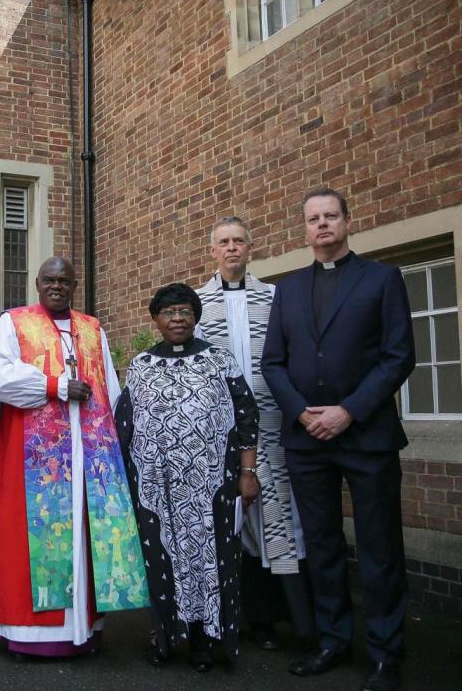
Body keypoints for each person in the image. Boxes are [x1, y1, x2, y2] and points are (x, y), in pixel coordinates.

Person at [261, 189, 414, 691]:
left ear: (348, 222)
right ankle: (332, 641)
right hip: (306, 439)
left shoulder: (383, 279)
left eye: (330, 216)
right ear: (304, 230)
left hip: (366, 435)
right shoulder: (288, 289)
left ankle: (385, 654)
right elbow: (274, 364)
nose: (322, 225)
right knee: (323, 547)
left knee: (379, 548)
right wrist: (302, 414)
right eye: (313, 219)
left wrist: (349, 411)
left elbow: (398, 357)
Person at [0, 257, 148, 657]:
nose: (56, 286)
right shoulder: (15, 322)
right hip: (35, 455)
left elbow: (109, 384)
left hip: (89, 450)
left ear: (75, 286)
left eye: (65, 281)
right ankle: (29, 635)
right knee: (35, 537)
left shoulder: (92, 328)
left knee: (83, 534)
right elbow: (0, 378)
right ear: (37, 284)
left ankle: (82, 628)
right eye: (49, 280)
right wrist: (55, 386)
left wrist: (116, 443)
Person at [115, 283, 259, 672]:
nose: (177, 319)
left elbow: (247, 417)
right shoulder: (142, 366)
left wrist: (248, 472)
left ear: (195, 317)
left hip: (210, 488)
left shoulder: (219, 361)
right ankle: (164, 638)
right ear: (156, 320)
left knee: (211, 562)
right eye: (168, 313)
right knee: (162, 561)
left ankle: (204, 642)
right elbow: (124, 424)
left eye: (184, 312)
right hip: (156, 490)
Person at [195, 216, 314, 649]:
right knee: (229, 523)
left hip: (270, 423)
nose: (231, 249)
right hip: (218, 430)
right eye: (223, 242)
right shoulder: (197, 303)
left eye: (239, 241)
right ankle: (241, 621)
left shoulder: (274, 298)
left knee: (279, 519)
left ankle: (298, 623)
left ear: (250, 248)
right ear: (213, 250)